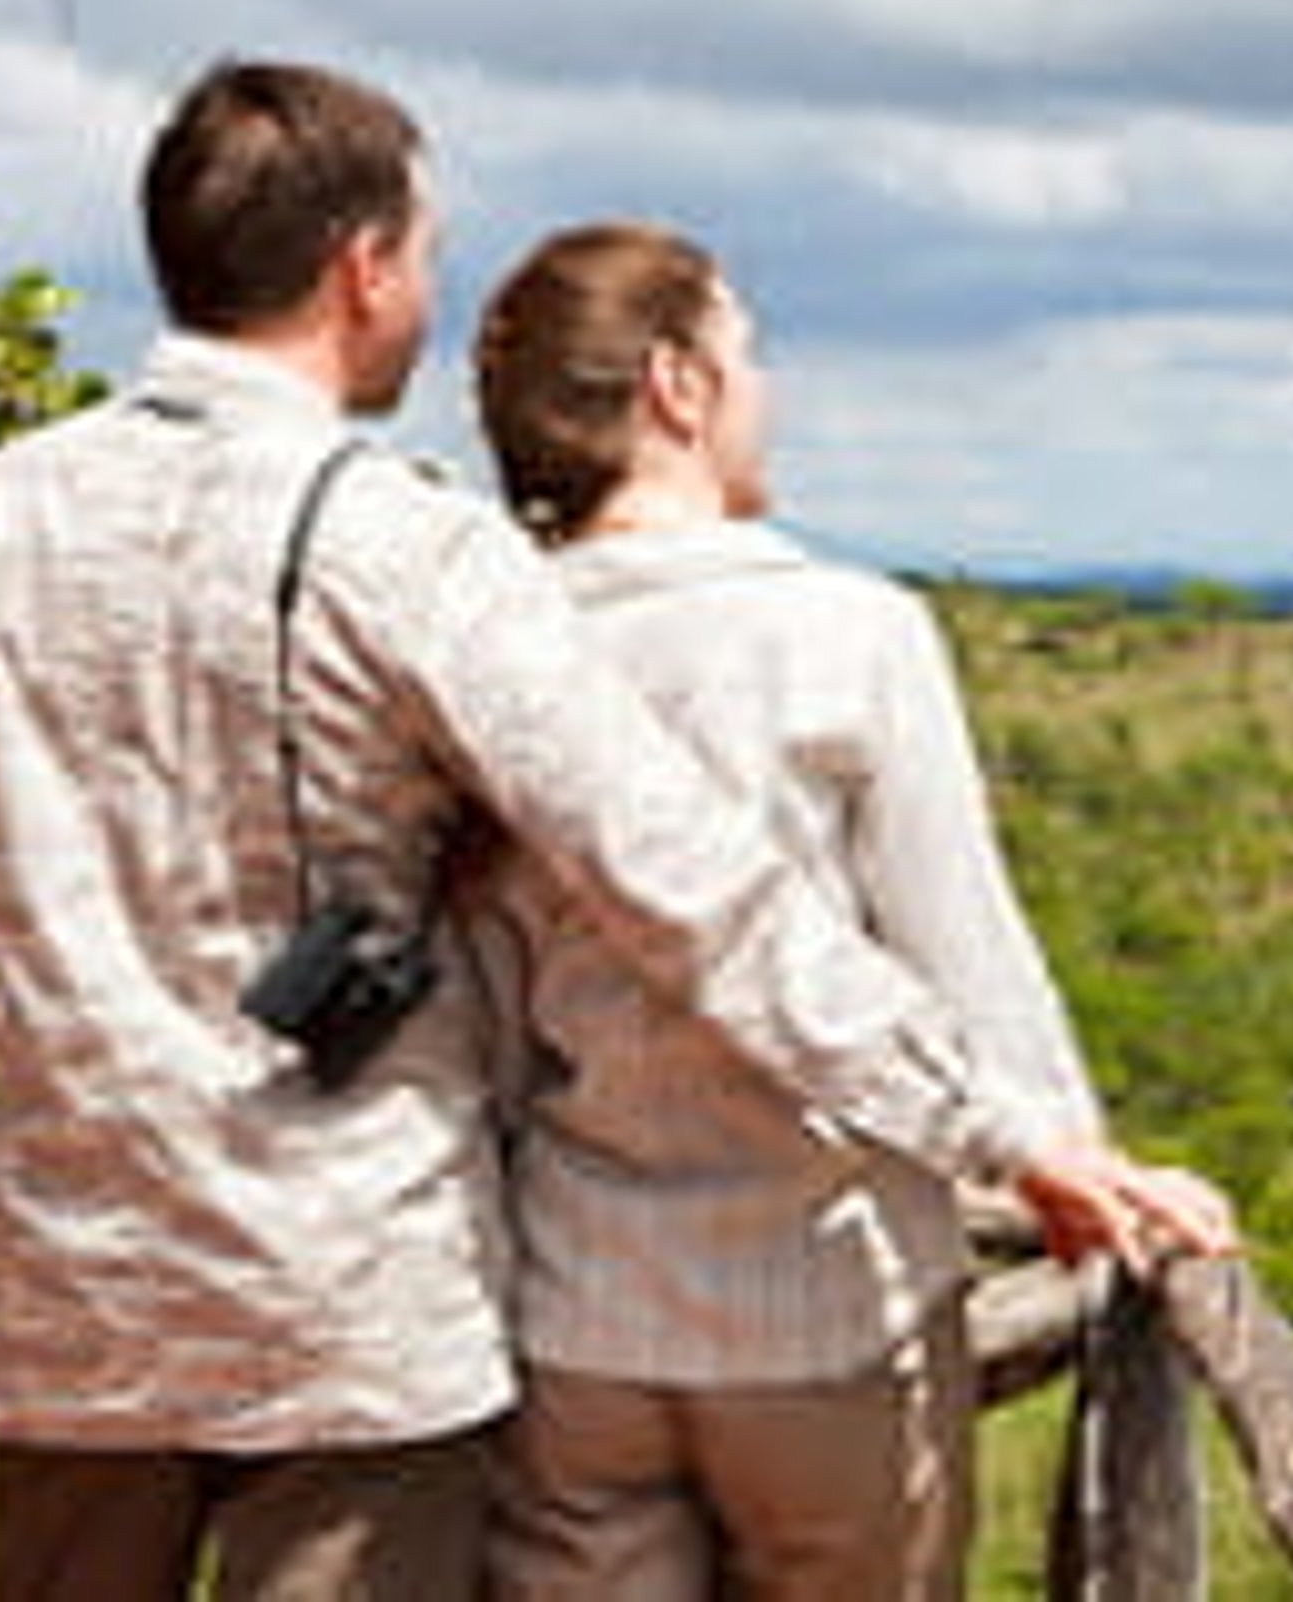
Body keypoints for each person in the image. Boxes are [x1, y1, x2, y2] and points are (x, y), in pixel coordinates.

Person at [0, 61, 1228, 1601]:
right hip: (355, 1306)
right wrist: (1005, 1128)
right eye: (423, 254)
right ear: (364, 266)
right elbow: (694, 890)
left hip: (76, 1298)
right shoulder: (408, 542)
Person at [464, 221, 1229, 1599]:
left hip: (571, 1311)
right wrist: (1070, 1158)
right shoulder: (846, 629)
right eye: (746, 353)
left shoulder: (487, 647)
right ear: (676, 387)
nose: (764, 391)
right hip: (823, 1310)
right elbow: (967, 957)